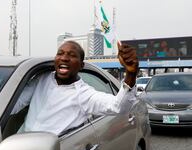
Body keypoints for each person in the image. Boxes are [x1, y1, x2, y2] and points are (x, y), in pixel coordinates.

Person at [11, 40, 139, 135]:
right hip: (17, 145)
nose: (64, 58)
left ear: (81, 66)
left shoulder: (83, 94)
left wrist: (131, 73)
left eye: (72, 55)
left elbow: (118, 106)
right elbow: (14, 104)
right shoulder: (41, 79)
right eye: (60, 53)